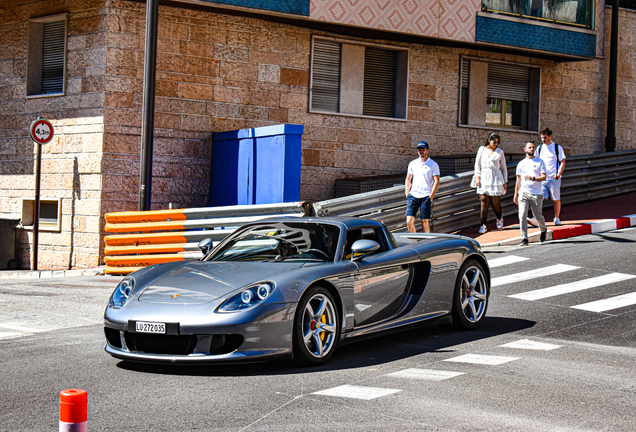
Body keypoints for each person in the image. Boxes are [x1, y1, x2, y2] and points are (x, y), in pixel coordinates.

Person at [472, 132, 508, 234]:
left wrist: (505, 181)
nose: (495, 143)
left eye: (497, 142)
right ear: (489, 140)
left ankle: (499, 218)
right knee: (483, 200)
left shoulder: (500, 152)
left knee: (495, 201)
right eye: (494, 141)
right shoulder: (481, 149)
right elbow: (477, 164)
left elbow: (504, 167)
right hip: (484, 176)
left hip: (496, 177)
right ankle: (483, 224)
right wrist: (477, 177)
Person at [514, 140, 548, 246]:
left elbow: (544, 177)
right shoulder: (521, 164)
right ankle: (524, 238)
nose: (532, 149)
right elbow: (518, 180)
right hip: (523, 192)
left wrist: (533, 178)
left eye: (533, 147)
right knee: (522, 215)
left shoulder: (539, 162)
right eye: (529, 147)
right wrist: (516, 194)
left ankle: (543, 230)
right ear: (525, 149)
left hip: (536, 193)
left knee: (538, 216)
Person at [532, 127, 566, 226]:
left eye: (545, 137)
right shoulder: (539, 148)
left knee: (556, 199)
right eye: (542, 138)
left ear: (550, 136)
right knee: (539, 198)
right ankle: (536, 218)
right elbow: (535, 161)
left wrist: (558, 174)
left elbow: (562, 161)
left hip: (553, 178)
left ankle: (557, 218)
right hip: (542, 179)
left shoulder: (557, 147)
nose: (543, 140)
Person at [405, 141, 440, 233]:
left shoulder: (433, 164)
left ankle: (426, 243)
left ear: (427, 151)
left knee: (425, 222)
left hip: (425, 196)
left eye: (423, 149)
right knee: (409, 221)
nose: (421, 151)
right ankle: (414, 243)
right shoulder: (413, 163)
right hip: (413, 195)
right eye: (419, 150)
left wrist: (431, 196)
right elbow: (408, 178)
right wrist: (407, 192)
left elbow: (437, 181)